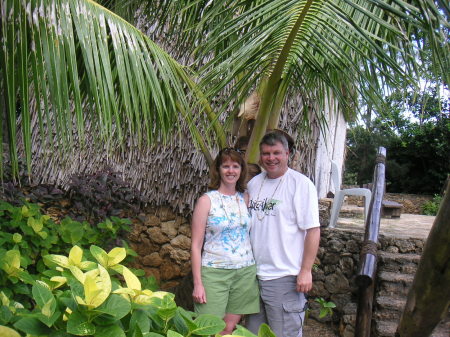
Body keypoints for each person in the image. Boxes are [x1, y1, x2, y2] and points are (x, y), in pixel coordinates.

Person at [246, 132, 321, 337]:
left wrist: (306, 270)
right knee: (254, 333)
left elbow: (313, 230)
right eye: (266, 153)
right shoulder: (254, 184)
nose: (271, 158)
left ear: (288, 153)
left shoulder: (301, 184)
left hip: (284, 276)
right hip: (254, 276)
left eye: (277, 152)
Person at [191, 148, 259, 334]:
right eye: (226, 166)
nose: (231, 171)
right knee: (208, 328)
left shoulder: (245, 199)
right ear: (218, 170)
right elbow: (196, 246)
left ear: (241, 170)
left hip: (244, 272)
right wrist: (198, 283)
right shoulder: (206, 200)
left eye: (235, 166)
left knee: (228, 329)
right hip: (214, 272)